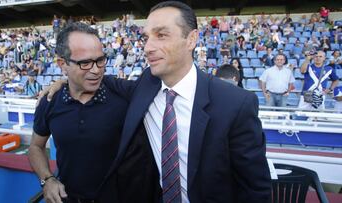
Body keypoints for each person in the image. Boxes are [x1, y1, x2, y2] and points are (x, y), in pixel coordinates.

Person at [46, 2, 271, 202]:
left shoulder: (235, 103)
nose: (148, 47)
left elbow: (255, 190)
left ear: (191, 39)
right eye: (146, 38)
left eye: (161, 35)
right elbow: (102, 79)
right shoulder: (146, 85)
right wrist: (63, 81)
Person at [29, 23, 156, 203]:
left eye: (100, 60)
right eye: (85, 63)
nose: (96, 70)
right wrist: (47, 180)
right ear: (62, 64)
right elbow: (35, 146)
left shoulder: (123, 98)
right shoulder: (50, 101)